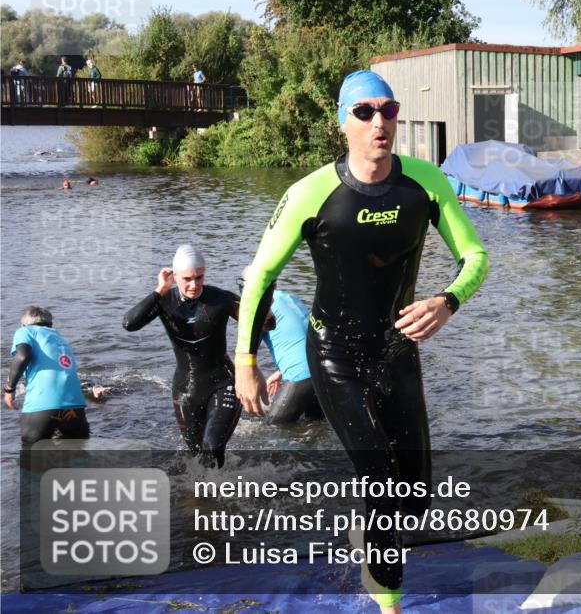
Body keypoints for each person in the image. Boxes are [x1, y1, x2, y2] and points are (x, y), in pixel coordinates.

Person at [234, 70, 488, 613]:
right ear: (342, 121)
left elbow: (476, 257)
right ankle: (389, 602)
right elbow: (259, 276)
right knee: (381, 481)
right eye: (366, 112)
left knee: (414, 497)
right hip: (335, 356)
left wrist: (447, 301)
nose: (380, 123)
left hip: (397, 355)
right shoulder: (310, 193)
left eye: (389, 111)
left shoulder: (424, 183)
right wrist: (245, 360)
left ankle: (370, 539)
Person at [122, 245, 242, 468]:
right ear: (174, 275)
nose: (194, 284)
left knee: (212, 447)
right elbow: (130, 323)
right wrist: (159, 291)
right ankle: (204, 494)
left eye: (199, 277)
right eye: (187, 278)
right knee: (196, 457)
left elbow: (267, 323)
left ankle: (217, 496)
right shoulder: (164, 301)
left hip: (224, 382)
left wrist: (262, 299)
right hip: (186, 388)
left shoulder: (221, 299)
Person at [239, 269, 321, 423]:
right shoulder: (290, 298)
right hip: (320, 371)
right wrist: (280, 373)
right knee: (314, 426)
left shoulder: (257, 309)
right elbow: (304, 335)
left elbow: (246, 359)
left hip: (301, 375)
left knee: (274, 426)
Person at [4, 307, 90, 446]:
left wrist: (9, 389)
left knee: (32, 460)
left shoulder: (25, 331)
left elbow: (23, 356)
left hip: (42, 405)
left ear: (23, 324)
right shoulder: (60, 339)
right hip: (74, 406)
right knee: (76, 457)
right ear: (50, 325)